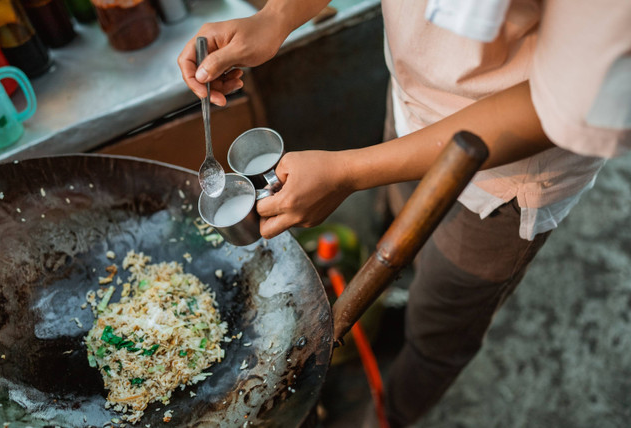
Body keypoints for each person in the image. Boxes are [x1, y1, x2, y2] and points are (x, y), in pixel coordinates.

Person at [178, 0, 631, 426]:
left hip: (504, 184)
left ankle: (390, 413)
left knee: (440, 327)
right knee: (398, 232)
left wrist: (349, 172)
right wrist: (277, 16)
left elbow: (564, 106)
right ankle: (402, 295)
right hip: (412, 112)